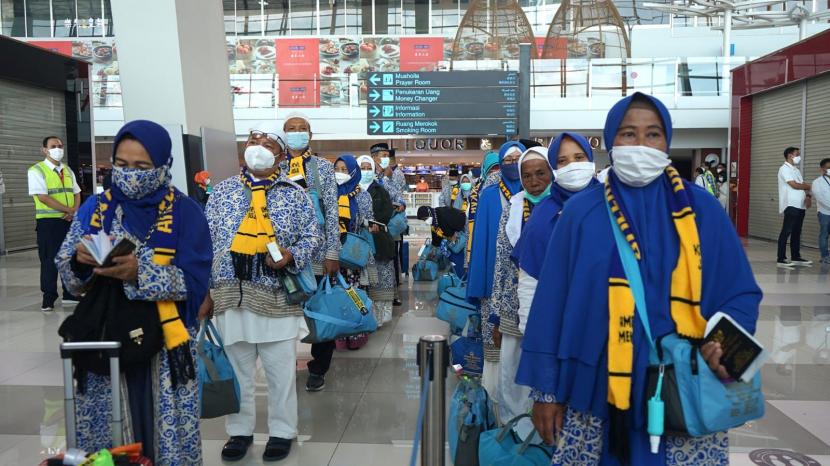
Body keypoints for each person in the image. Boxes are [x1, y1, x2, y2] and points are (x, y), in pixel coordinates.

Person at [517, 93, 763, 466]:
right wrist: (546, 392)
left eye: (653, 134)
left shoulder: (702, 210)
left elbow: (739, 291)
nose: (641, 144)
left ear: (667, 141)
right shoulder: (582, 213)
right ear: (612, 140)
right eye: (629, 134)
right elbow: (552, 304)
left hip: (684, 390)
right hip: (596, 391)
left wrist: (723, 346)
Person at [56, 120, 212, 464]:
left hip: (165, 345)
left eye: (142, 166)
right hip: (105, 340)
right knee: (110, 430)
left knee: (163, 430)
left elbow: (196, 283)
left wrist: (141, 273)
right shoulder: (95, 208)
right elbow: (69, 275)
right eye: (122, 165)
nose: (130, 175)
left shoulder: (186, 212)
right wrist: (81, 262)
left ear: (163, 165)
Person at [202, 122, 322, 462]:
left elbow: (313, 236)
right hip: (230, 294)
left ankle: (282, 432)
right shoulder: (222, 192)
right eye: (254, 140)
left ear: (281, 156)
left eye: (268, 143)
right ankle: (239, 432)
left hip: (276, 296)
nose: (259, 147)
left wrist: (292, 254)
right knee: (238, 371)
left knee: (280, 373)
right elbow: (206, 242)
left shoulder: (294, 194)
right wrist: (205, 291)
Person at [278, 113, 342, 392]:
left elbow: (332, 211)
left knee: (319, 310)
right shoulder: (275, 166)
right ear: (284, 133)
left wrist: (333, 252)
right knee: (283, 310)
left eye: (302, 128)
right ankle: (282, 365)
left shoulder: (323, 167)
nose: (297, 132)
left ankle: (318, 368)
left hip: (317, 252)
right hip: (283, 253)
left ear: (310, 134)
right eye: (291, 128)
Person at [490, 146, 554, 423]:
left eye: (540, 173)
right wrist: (495, 315)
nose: (534, 181)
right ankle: (514, 428)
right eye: (527, 176)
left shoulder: (565, 208)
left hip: (552, 306)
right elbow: (501, 263)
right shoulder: (513, 209)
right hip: (512, 306)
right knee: (512, 371)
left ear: (552, 173)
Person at [513, 132, 599, 334]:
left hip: (607, 321)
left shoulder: (613, 205)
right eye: (562, 161)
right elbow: (529, 281)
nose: (572, 166)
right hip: (557, 324)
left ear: (589, 159)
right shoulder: (542, 215)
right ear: (554, 168)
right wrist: (529, 329)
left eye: (579, 157)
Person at [466, 140, 525, 404]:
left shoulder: (534, 192)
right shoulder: (490, 195)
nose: (513, 164)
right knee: (494, 343)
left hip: (526, 281)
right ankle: (492, 403)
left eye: (517, 159)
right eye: (508, 160)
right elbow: (480, 242)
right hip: (494, 279)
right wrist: (478, 283)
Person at [28, 135, 82, 311]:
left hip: (69, 220)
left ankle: (70, 294)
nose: (58, 149)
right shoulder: (36, 170)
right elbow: (43, 197)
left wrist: (74, 211)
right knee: (49, 260)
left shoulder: (67, 170)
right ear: (44, 150)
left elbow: (76, 192)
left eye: (60, 145)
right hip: (49, 222)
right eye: (53, 146)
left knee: (70, 258)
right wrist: (68, 210)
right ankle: (49, 297)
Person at [331, 154, 375, 350]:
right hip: (333, 255)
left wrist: (369, 225)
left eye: (344, 170)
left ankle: (356, 334)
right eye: (337, 169)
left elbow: (368, 220)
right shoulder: (329, 192)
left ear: (353, 172)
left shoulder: (363, 196)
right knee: (336, 296)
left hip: (352, 257)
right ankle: (338, 336)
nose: (340, 173)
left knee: (355, 295)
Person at [358, 155, 397, 330]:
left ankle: (379, 318)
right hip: (358, 242)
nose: (366, 171)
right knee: (363, 280)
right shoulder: (350, 190)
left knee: (380, 279)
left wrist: (375, 223)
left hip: (379, 240)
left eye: (369, 168)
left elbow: (387, 211)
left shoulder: (380, 190)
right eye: (362, 167)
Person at [370, 143, 406, 306]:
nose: (386, 159)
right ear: (373, 157)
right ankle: (372, 293)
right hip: (371, 226)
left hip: (389, 226)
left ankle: (392, 294)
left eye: (387, 156)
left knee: (390, 258)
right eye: (383, 156)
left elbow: (399, 196)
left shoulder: (393, 175)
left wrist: (401, 205)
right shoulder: (368, 174)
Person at [777, 146, 813, 268]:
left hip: (800, 205)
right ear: (790, 155)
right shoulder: (784, 169)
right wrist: (809, 186)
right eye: (797, 154)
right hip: (791, 204)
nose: (799, 157)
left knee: (797, 231)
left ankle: (796, 257)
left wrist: (808, 196)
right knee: (786, 231)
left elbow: (802, 185)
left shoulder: (796, 170)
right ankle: (781, 258)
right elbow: (794, 185)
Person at [466, 150, 500, 264]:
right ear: (485, 171)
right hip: (482, 239)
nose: (495, 174)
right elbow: (470, 222)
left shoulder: (510, 188)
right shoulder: (476, 193)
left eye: (498, 169)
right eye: (492, 170)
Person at [812, 158, 830, 264]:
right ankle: (824, 256)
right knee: (824, 234)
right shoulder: (817, 182)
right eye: (828, 167)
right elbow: (820, 198)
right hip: (824, 213)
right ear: (822, 169)